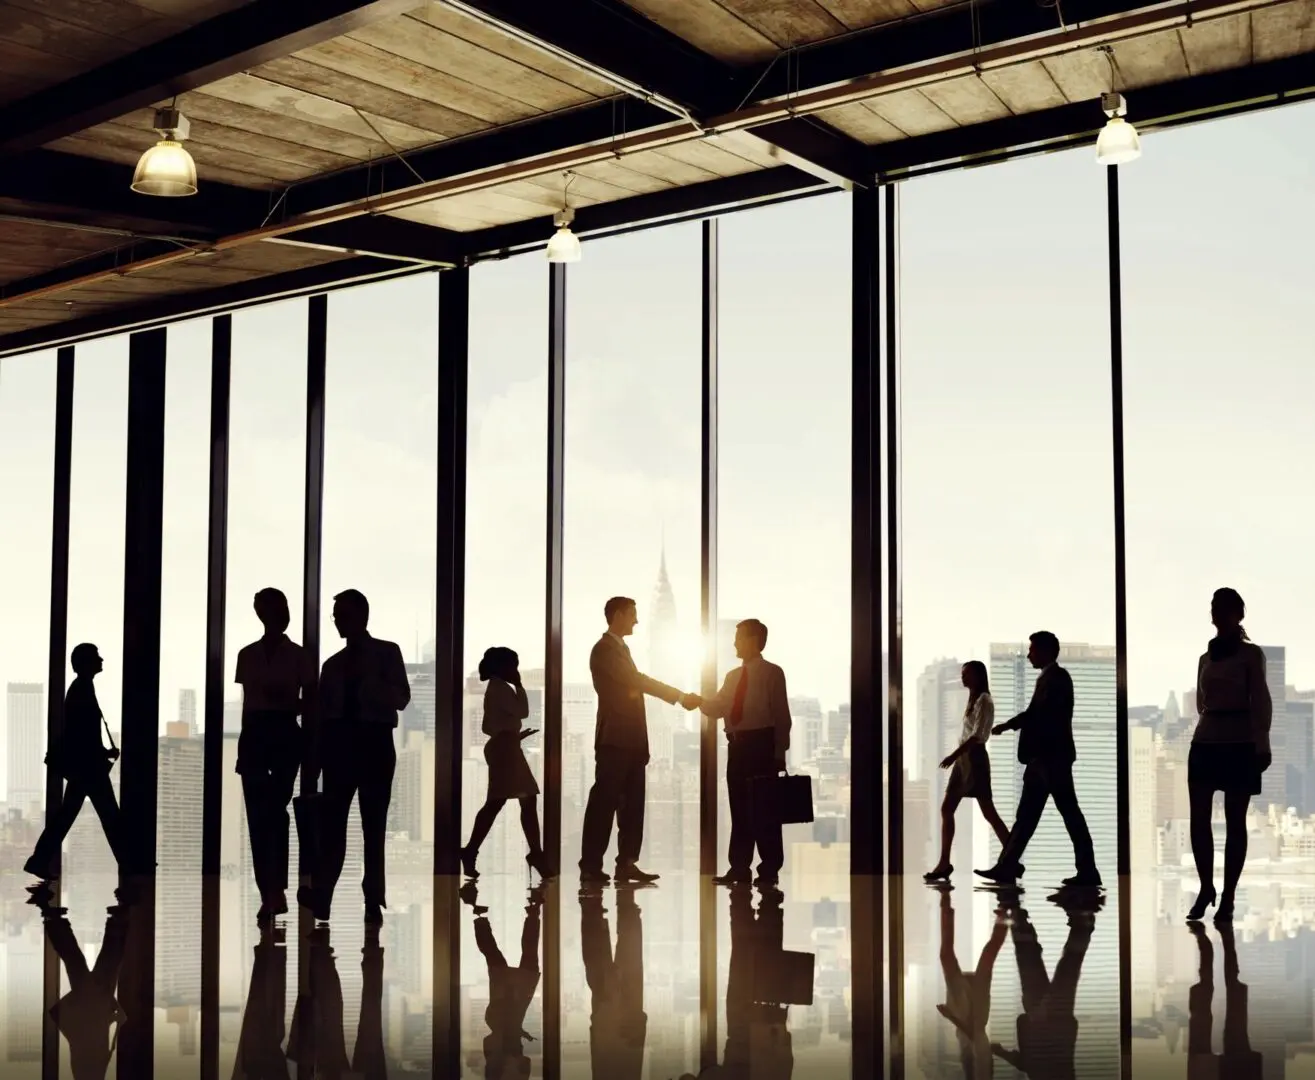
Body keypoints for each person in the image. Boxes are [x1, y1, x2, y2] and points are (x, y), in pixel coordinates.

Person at [304, 588, 410, 925]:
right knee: (338, 826)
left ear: (361, 617)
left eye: (341, 614)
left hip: (370, 741)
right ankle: (333, 896)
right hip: (346, 743)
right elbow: (321, 714)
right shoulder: (333, 665)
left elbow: (402, 698)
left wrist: (370, 687)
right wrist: (317, 757)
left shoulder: (385, 654)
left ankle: (363, 897)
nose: (336, 620)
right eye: (336, 615)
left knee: (371, 826)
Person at [579, 596, 699, 885]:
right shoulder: (604, 650)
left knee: (632, 806)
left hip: (632, 742)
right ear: (618, 615)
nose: (637, 620)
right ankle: (591, 866)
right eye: (633, 614)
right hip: (614, 741)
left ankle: (626, 864)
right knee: (604, 804)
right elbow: (637, 680)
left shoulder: (621, 649)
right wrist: (679, 697)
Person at [975, 632, 1100, 890]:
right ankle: (1008, 867)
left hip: (1050, 760)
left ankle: (1086, 871)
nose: (1029, 654)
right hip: (1046, 760)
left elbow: (1039, 715)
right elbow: (1038, 715)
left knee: (1064, 815)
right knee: (1031, 817)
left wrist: (1010, 726)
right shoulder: (1050, 678)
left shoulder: (1057, 679)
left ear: (1045, 651)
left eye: (1032, 650)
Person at [1186, 587, 1271, 923]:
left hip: (1238, 742)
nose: (1216, 613)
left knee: (1236, 822)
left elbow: (1260, 699)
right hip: (1207, 741)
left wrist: (1261, 741)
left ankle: (1228, 896)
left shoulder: (1251, 655)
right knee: (1199, 821)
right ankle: (1207, 888)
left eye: (1222, 607)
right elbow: (1199, 704)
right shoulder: (1204, 659)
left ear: (1238, 614)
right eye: (1214, 607)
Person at [234, 587, 316, 923]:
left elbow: (311, 703)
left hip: (281, 731)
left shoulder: (297, 656)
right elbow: (247, 704)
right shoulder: (249, 654)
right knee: (261, 814)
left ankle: (273, 890)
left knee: (270, 811)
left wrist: (285, 702)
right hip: (259, 733)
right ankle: (271, 890)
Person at [699, 619, 792, 888]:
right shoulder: (732, 677)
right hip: (737, 747)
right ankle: (739, 868)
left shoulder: (773, 673)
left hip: (762, 746)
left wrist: (778, 753)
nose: (735, 643)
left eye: (739, 637)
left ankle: (769, 869)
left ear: (754, 640)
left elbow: (781, 717)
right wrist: (697, 702)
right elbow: (717, 707)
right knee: (739, 809)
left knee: (765, 811)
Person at [25, 643, 123, 879]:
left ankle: (38, 861)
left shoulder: (81, 688)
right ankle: (129, 863)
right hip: (90, 769)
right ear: (87, 663)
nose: (102, 660)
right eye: (96, 657)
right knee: (110, 817)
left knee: (69, 816)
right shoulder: (82, 690)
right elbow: (83, 736)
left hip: (86, 768)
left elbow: (81, 734)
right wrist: (103, 754)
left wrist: (101, 753)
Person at [460, 647, 549, 881]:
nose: (516, 671)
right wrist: (519, 685)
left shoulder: (495, 688)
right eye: (514, 666)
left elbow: (490, 726)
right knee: (520, 800)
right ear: (504, 667)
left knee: (507, 802)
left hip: (506, 747)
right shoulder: (500, 688)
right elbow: (523, 711)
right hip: (506, 750)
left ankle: (470, 851)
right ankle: (535, 854)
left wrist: (513, 735)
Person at [991, 893, 1098, 1080]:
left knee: (1062, 966)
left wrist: (1001, 1052)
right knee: (1052, 966)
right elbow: (1035, 1065)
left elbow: (1028, 1065)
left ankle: (1080, 921)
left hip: (1046, 1021)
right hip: (1048, 1021)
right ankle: (1081, 920)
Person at [926, 660, 1012, 882]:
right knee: (947, 808)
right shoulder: (973, 699)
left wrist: (954, 755)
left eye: (967, 674)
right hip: (964, 761)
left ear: (978, 676)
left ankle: (1012, 858)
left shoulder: (984, 700)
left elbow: (978, 736)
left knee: (988, 812)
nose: (963, 678)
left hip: (974, 760)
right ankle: (944, 862)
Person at [463, 881, 543, 1080]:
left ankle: (532, 911)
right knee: (498, 955)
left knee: (505, 954)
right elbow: (523, 1060)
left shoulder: (496, 1051)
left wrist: (515, 1035)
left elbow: (503, 1037)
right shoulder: (501, 1054)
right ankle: (480, 914)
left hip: (514, 996)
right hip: (513, 996)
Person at [935, 883, 1008, 1078]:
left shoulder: (976, 1073)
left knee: (982, 956)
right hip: (970, 1015)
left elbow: (979, 1044)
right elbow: (974, 1037)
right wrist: (950, 1016)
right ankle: (946, 902)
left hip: (970, 1013)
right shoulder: (980, 1074)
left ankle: (1003, 912)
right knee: (959, 956)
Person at [724, 885, 795, 1080]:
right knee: (744, 957)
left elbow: (785, 1059)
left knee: (759, 957)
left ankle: (763, 902)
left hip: (764, 1027)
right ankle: (743, 900)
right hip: (748, 1032)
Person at [582, 887, 647, 1080]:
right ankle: (598, 909)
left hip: (623, 1029)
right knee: (613, 964)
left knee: (626, 959)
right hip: (618, 1029)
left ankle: (618, 907)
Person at [1187, 920, 1262, 1079]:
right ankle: (1220, 934)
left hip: (1225, 1067)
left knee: (1222, 1002)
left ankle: (1217, 935)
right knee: (1231, 1005)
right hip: (1237, 1067)